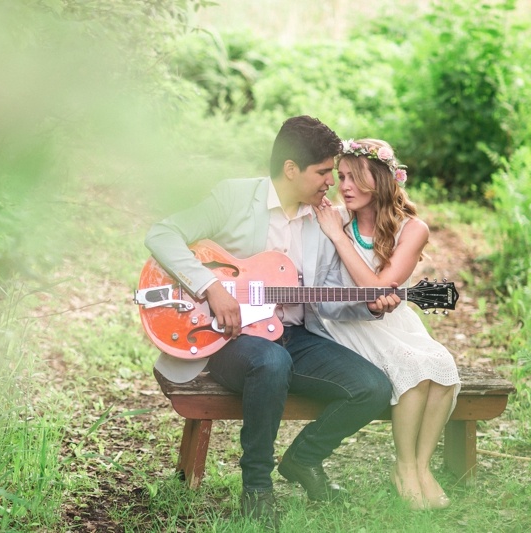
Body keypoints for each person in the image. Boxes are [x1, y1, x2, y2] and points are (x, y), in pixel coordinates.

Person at [145, 116, 399, 528]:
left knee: (372, 387)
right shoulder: (234, 197)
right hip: (228, 338)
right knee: (270, 361)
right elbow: (162, 234)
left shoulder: (324, 219)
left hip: (295, 336)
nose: (331, 183)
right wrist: (211, 287)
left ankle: (303, 459)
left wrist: (368, 306)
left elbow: (327, 298)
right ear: (291, 169)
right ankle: (257, 488)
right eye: (323, 172)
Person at [313, 138, 461, 510]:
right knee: (412, 367)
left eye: (354, 177)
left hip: (394, 321)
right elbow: (347, 294)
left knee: (442, 367)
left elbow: (379, 289)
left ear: (379, 179)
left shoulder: (413, 229)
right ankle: (404, 467)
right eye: (341, 177)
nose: (344, 186)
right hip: (345, 322)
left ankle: (421, 468)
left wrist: (339, 238)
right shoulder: (334, 219)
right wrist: (337, 232)